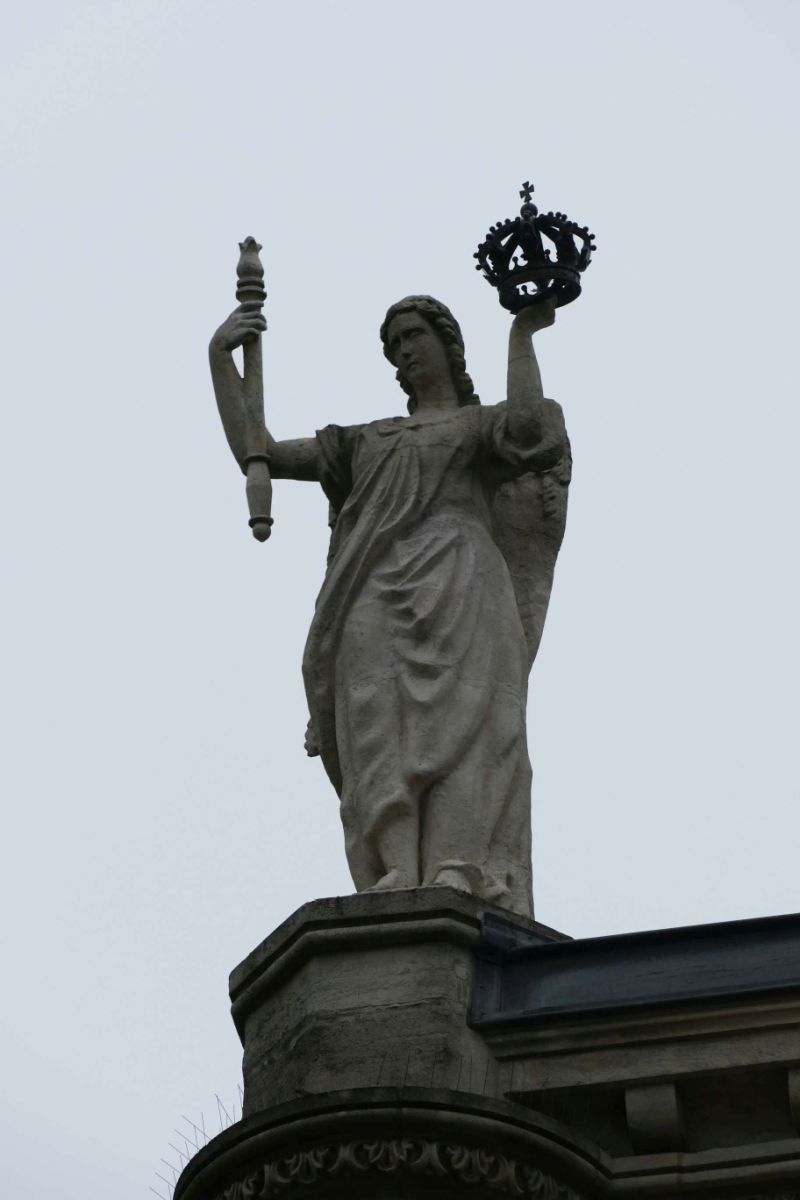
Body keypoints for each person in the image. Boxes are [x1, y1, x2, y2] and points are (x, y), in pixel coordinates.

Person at [209, 295, 570, 917]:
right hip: (374, 585)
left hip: (460, 577)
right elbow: (258, 448)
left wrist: (523, 332)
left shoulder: (479, 426)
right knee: (377, 728)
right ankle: (396, 864)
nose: (404, 351)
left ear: (448, 345)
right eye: (394, 343)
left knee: (468, 729)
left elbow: (531, 428)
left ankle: (458, 864)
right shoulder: (365, 441)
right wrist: (221, 357)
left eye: (414, 336)